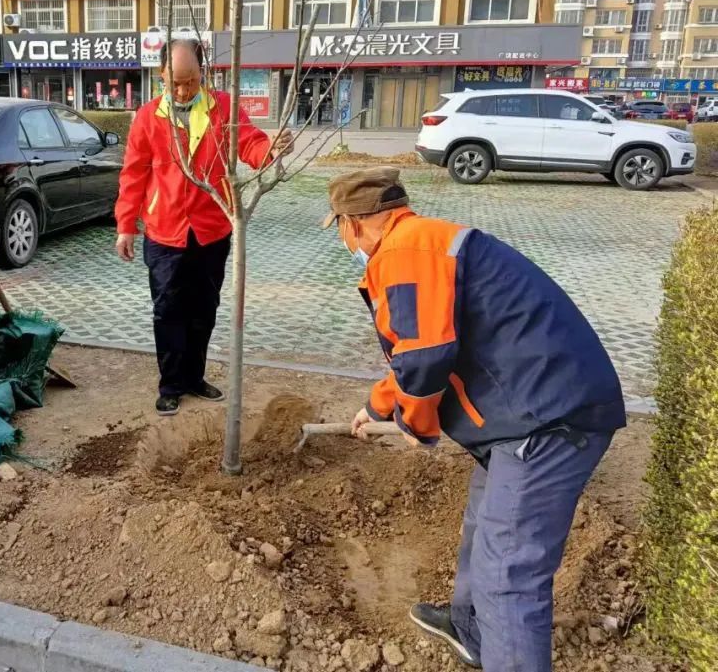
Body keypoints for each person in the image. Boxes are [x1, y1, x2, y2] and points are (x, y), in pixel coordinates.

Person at [323, 167, 626, 672]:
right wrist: (377, 407)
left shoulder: (403, 252)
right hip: (530, 410)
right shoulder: (421, 240)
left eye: (337, 227)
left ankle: (502, 648)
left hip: (546, 420)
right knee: (483, 519)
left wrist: (413, 425)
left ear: (351, 223)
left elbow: (424, 357)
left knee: (509, 573)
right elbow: (412, 350)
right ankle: (471, 628)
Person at [114, 39, 291, 416]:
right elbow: (133, 174)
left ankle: (195, 377)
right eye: (174, 82)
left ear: (203, 75)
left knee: (203, 308)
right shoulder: (148, 117)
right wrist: (125, 225)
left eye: (191, 81)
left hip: (212, 229)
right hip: (165, 233)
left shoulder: (222, 109)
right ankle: (171, 383)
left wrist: (270, 149)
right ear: (161, 76)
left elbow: (249, 144)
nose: (182, 90)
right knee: (168, 311)